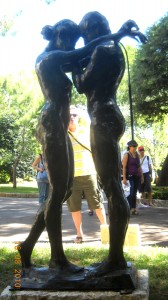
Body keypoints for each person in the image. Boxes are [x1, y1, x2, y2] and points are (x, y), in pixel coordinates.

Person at [71, 11, 146, 274]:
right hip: (108, 114)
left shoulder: (102, 51)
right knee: (111, 186)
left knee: (112, 188)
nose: (83, 39)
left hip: (102, 117)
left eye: (84, 34)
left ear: (92, 29)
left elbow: (81, 84)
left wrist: (74, 67)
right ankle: (115, 257)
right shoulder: (110, 48)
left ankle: (115, 259)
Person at [67, 106, 107, 243]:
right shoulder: (62, 136)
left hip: (89, 173)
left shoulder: (87, 132)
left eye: (74, 115)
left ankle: (105, 231)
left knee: (97, 204)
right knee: (74, 207)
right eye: (69, 115)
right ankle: (79, 234)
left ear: (78, 117)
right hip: (71, 177)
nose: (71, 117)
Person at [122, 140, 144, 215]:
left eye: (136, 146)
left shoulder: (137, 155)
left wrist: (142, 176)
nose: (135, 147)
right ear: (129, 147)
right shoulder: (127, 155)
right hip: (129, 176)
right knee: (130, 193)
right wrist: (124, 178)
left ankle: (133, 209)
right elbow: (124, 167)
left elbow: (139, 166)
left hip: (137, 176)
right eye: (134, 146)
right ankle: (128, 208)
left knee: (134, 193)